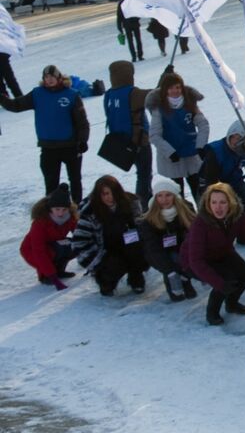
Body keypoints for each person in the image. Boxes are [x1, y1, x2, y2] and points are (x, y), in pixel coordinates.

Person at [182, 182, 245, 326]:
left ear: (231, 203)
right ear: (208, 204)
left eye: (223, 202)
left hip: (222, 253)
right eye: (213, 202)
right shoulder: (201, 223)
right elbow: (196, 260)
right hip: (193, 261)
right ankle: (212, 312)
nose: (218, 207)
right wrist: (219, 284)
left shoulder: (237, 216)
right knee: (226, 280)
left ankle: (232, 304)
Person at [1, 64, 89, 201]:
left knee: (75, 180)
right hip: (48, 148)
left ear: (59, 77)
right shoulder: (37, 94)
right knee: (51, 184)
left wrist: (83, 140)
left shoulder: (71, 95)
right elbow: (16, 106)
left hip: (70, 146)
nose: (49, 80)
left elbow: (82, 122)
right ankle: (52, 212)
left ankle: (78, 209)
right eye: (46, 77)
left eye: (52, 76)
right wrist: (2, 98)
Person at [71, 174, 148, 297]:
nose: (109, 197)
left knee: (138, 250)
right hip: (104, 251)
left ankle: (136, 276)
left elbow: (142, 228)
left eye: (112, 193)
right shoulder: (89, 212)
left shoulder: (130, 204)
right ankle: (104, 280)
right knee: (114, 265)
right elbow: (79, 242)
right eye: (105, 194)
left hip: (128, 244)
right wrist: (96, 261)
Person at [145, 72, 209, 200]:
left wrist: (201, 145)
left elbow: (203, 124)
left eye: (178, 87)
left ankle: (203, 218)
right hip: (172, 158)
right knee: (177, 196)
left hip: (191, 154)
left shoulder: (190, 104)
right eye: (171, 88)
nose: (175, 91)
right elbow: (154, 135)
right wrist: (169, 152)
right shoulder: (159, 108)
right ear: (165, 90)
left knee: (200, 193)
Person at [101, 59, 152, 210]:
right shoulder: (133, 93)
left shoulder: (109, 95)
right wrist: (165, 77)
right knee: (144, 176)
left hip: (121, 142)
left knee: (141, 175)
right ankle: (143, 206)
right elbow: (154, 95)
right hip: (139, 143)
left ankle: (142, 203)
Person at [138, 177, 198, 302]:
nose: (164, 200)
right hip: (160, 254)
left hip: (182, 250)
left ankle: (185, 277)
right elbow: (153, 249)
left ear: (175, 196)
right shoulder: (148, 220)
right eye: (159, 196)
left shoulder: (187, 209)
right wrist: (170, 271)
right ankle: (173, 277)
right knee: (176, 295)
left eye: (168, 195)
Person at [21, 184, 79, 290]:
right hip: (31, 250)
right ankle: (46, 275)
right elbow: (39, 251)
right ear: (50, 208)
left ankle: (59, 271)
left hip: (54, 245)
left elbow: (81, 236)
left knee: (74, 246)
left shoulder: (70, 218)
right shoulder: (40, 222)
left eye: (64, 209)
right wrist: (54, 280)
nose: (61, 213)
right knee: (54, 251)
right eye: (57, 209)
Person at [199, 121, 245, 217]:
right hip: (212, 183)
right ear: (230, 135)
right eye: (235, 138)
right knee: (226, 208)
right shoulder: (215, 151)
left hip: (234, 180)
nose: (237, 142)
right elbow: (210, 180)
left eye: (241, 139)